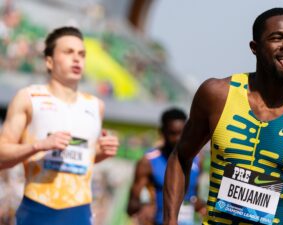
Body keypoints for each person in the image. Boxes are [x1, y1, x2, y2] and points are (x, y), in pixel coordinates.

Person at [163, 8, 283, 225]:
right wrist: (170, 221)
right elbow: (180, 156)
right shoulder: (217, 95)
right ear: (255, 48)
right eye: (277, 38)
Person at [0, 26, 119, 225]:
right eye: (68, 52)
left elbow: (83, 158)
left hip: (79, 210)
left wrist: (101, 152)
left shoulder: (95, 105)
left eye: (81, 54)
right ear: (49, 61)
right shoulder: (29, 98)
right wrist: (38, 145)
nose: (77, 58)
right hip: (38, 207)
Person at [127, 108, 206, 225]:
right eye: (173, 133)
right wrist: (144, 205)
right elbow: (132, 206)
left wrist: (199, 204)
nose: (178, 139)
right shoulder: (148, 161)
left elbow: (193, 194)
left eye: (182, 133)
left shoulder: (197, 159)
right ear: (162, 132)